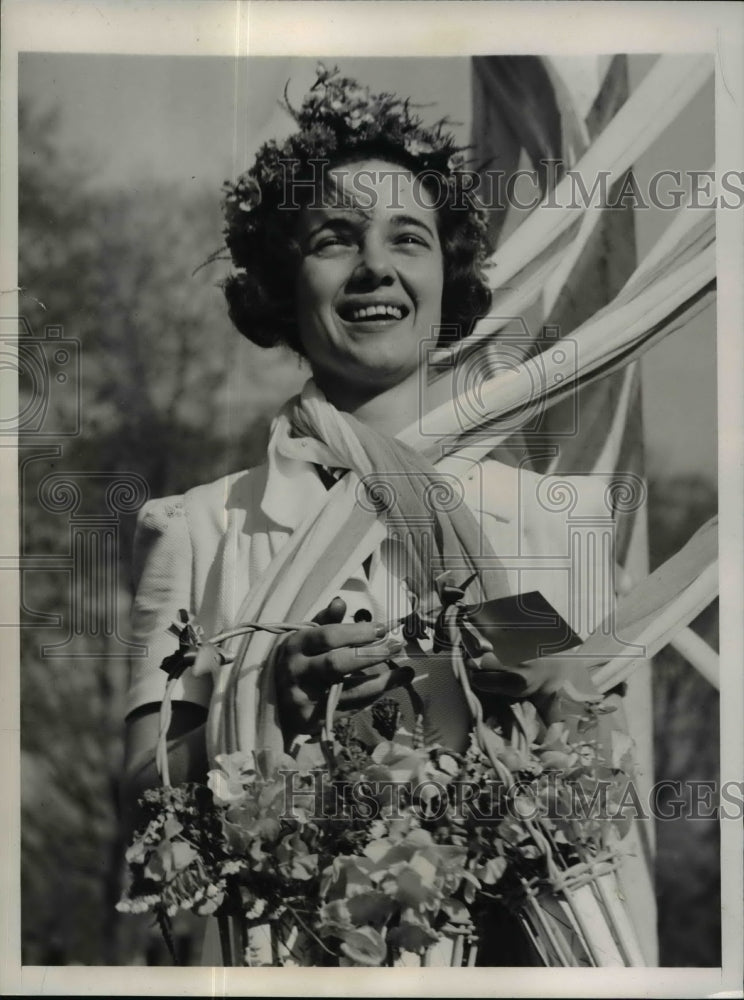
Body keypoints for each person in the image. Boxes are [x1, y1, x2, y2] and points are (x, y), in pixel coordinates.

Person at [122, 65, 654, 965]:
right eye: (336, 237)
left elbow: (602, 804)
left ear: (448, 277)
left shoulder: (550, 524)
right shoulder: (198, 529)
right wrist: (264, 709)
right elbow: (140, 801)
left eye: (408, 237)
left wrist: (532, 677)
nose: (376, 265)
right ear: (282, 284)